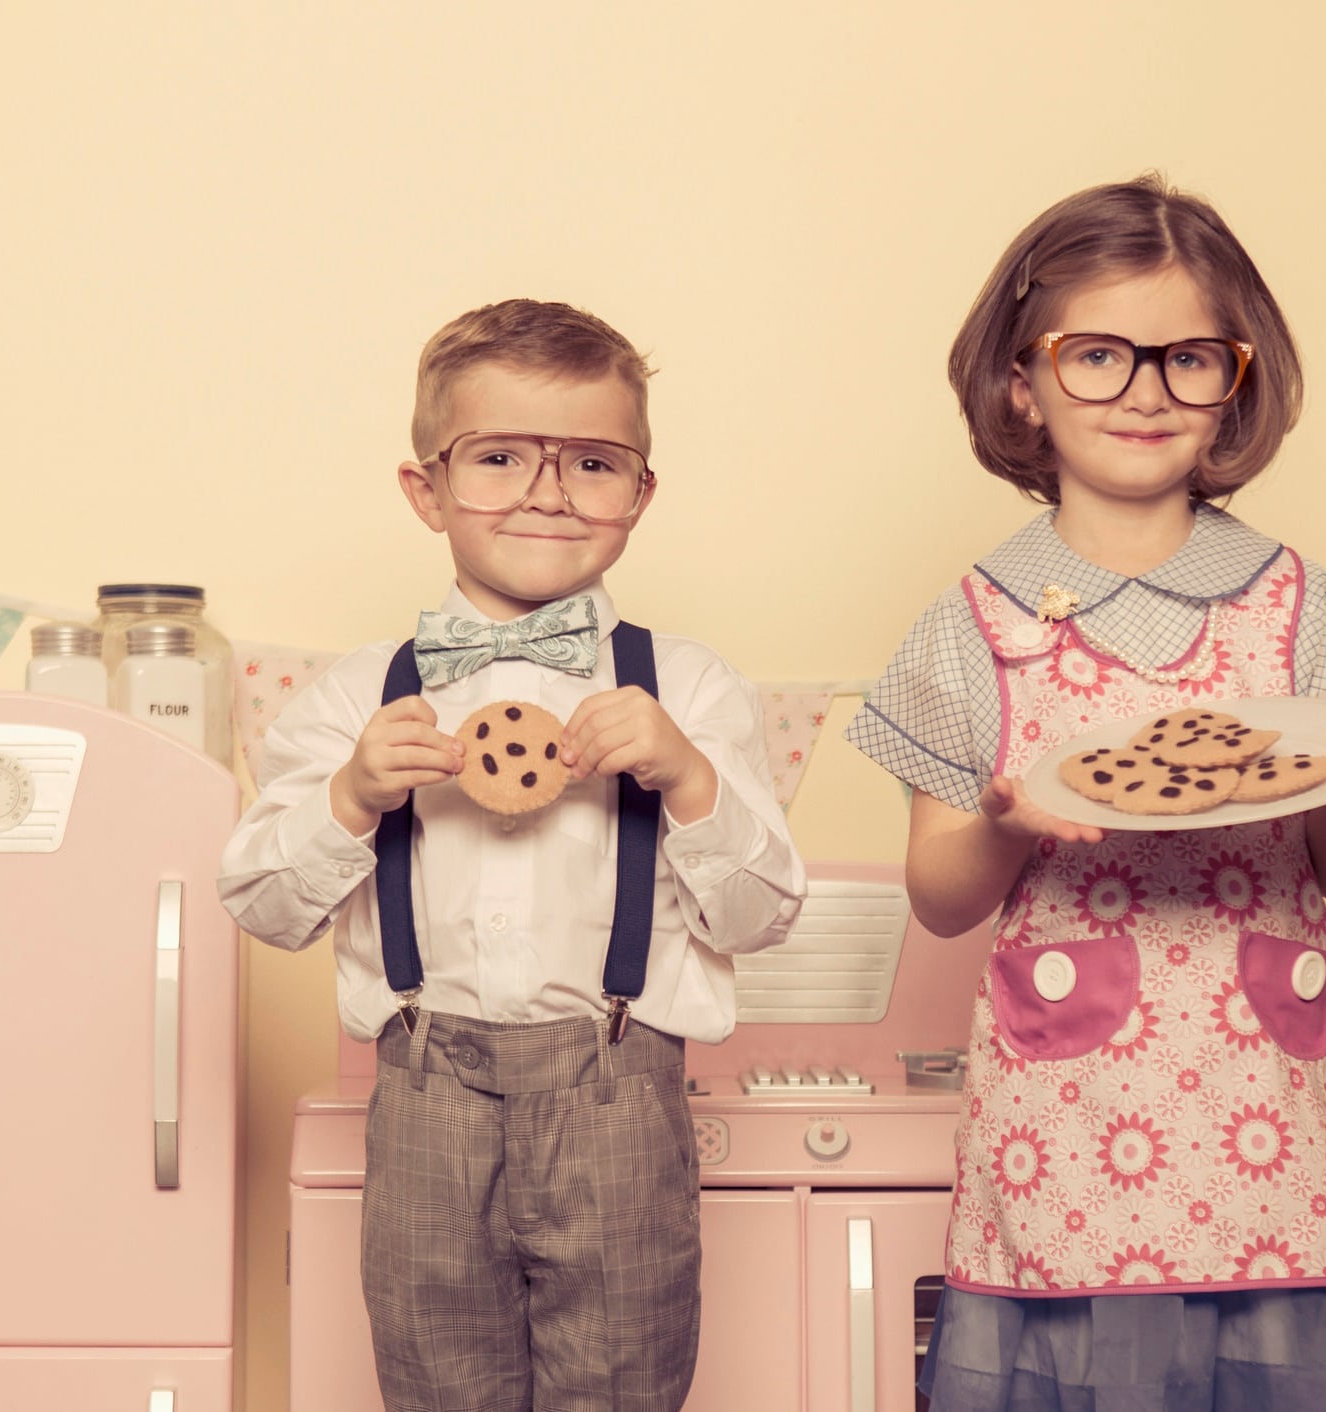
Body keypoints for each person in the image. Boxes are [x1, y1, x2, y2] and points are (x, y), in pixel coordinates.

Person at [846, 177, 1326, 1410]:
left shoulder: (1303, 604)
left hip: (1282, 1128)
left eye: (1188, 358)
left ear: (1235, 381)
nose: (1146, 391)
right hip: (1072, 1136)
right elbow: (941, 897)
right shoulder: (971, 624)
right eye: (1098, 354)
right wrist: (1006, 826)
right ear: (1021, 381)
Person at [220, 298, 804, 1411]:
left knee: (625, 1382)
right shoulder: (356, 693)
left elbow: (762, 914)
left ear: (639, 493)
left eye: (591, 462)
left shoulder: (687, 687)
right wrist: (349, 797)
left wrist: (687, 777)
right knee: (435, 1382)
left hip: (620, 1095)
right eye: (498, 457)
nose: (547, 493)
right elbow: (259, 902)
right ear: (425, 489)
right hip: (423, 1095)